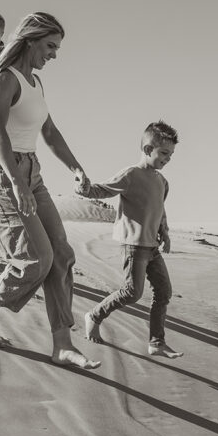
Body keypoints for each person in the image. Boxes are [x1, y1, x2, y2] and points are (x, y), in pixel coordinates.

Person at [0, 12, 100, 370]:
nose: (54, 54)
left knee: (61, 254)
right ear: (30, 40)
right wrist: (15, 181)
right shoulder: (4, 78)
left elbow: (50, 131)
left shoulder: (35, 81)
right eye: (50, 46)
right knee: (35, 258)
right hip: (2, 173)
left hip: (32, 172)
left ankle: (62, 344)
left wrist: (76, 168)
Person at [76, 121, 184, 358]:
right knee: (132, 293)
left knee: (164, 292)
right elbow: (105, 189)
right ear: (147, 149)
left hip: (152, 246)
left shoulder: (162, 182)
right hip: (134, 246)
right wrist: (85, 189)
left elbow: (160, 209)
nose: (168, 159)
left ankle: (157, 342)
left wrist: (165, 232)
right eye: (164, 153)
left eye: (171, 155)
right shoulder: (131, 175)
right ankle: (94, 315)